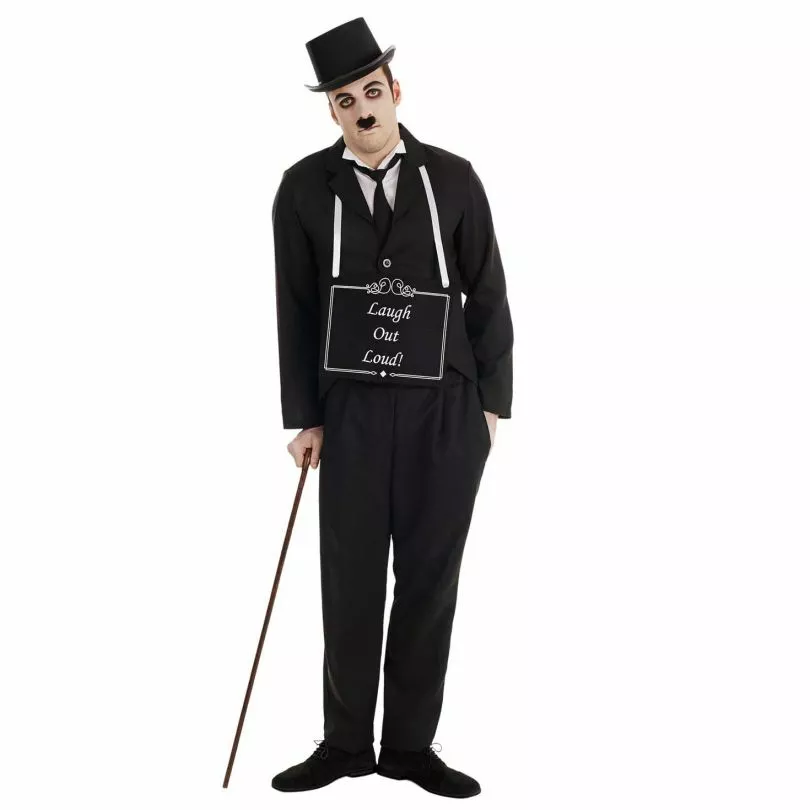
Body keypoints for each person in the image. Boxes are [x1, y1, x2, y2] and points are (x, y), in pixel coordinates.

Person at [270, 17, 513, 798]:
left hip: (446, 410)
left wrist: (490, 407)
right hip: (351, 414)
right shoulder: (304, 189)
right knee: (349, 578)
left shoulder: (454, 178)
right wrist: (306, 417)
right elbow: (295, 307)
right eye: (345, 100)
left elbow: (488, 291)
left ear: (395, 92)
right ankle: (346, 743)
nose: (362, 109)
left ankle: (409, 747)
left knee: (429, 581)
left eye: (371, 92)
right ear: (332, 111)